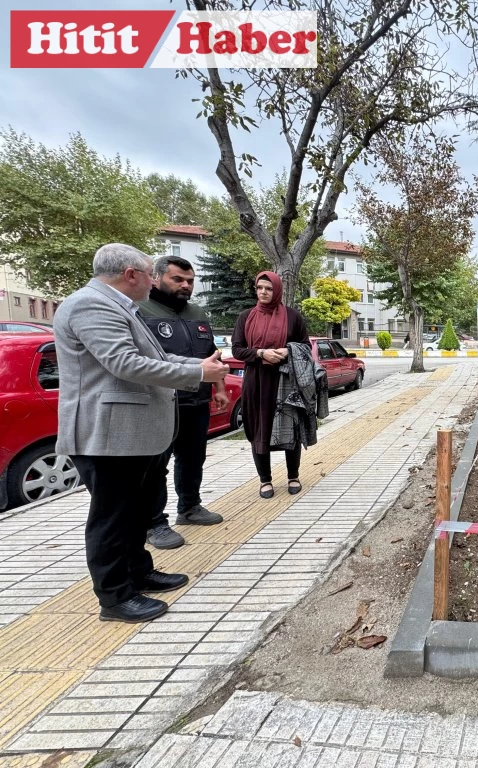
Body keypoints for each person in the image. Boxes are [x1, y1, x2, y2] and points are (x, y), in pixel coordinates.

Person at [53, 244, 228, 623]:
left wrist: (199, 363)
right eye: (151, 274)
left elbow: (157, 359)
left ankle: (138, 572)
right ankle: (115, 598)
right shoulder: (90, 305)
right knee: (112, 517)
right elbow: (125, 363)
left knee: (135, 511)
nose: (153, 281)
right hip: (108, 434)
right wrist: (198, 375)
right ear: (130, 274)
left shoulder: (120, 307)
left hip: (132, 434)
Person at [139, 255, 229, 550]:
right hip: (161, 401)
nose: (186, 286)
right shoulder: (141, 310)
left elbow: (212, 355)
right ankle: (154, 522)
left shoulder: (197, 312)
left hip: (196, 401)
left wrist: (219, 388)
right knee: (156, 464)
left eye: (190, 281)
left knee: (193, 459)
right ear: (156, 278)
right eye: (177, 279)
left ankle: (189, 508)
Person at [231, 271, 311, 499]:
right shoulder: (245, 317)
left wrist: (288, 350)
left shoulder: (293, 317)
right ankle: (265, 480)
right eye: (260, 288)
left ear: (277, 290)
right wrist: (260, 353)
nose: (264, 292)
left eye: (269, 288)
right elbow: (237, 349)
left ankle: (293, 475)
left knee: (290, 427)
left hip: (286, 381)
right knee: (259, 429)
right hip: (256, 382)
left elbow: (305, 346)